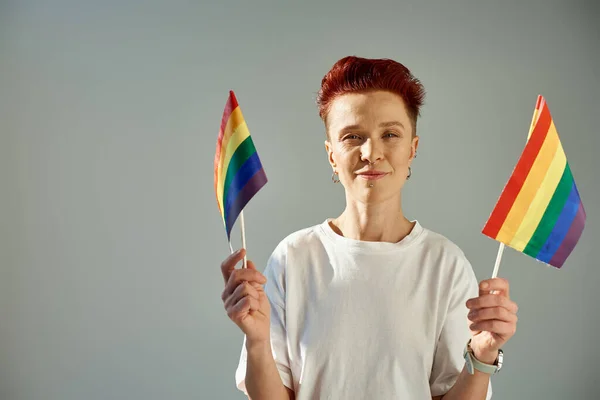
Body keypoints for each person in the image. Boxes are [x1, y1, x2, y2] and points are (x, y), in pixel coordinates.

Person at [219, 56, 518, 400]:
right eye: (352, 136)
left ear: (412, 149)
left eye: (390, 134)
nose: (371, 152)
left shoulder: (445, 264)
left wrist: (482, 355)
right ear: (332, 154)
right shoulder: (293, 258)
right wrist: (256, 340)